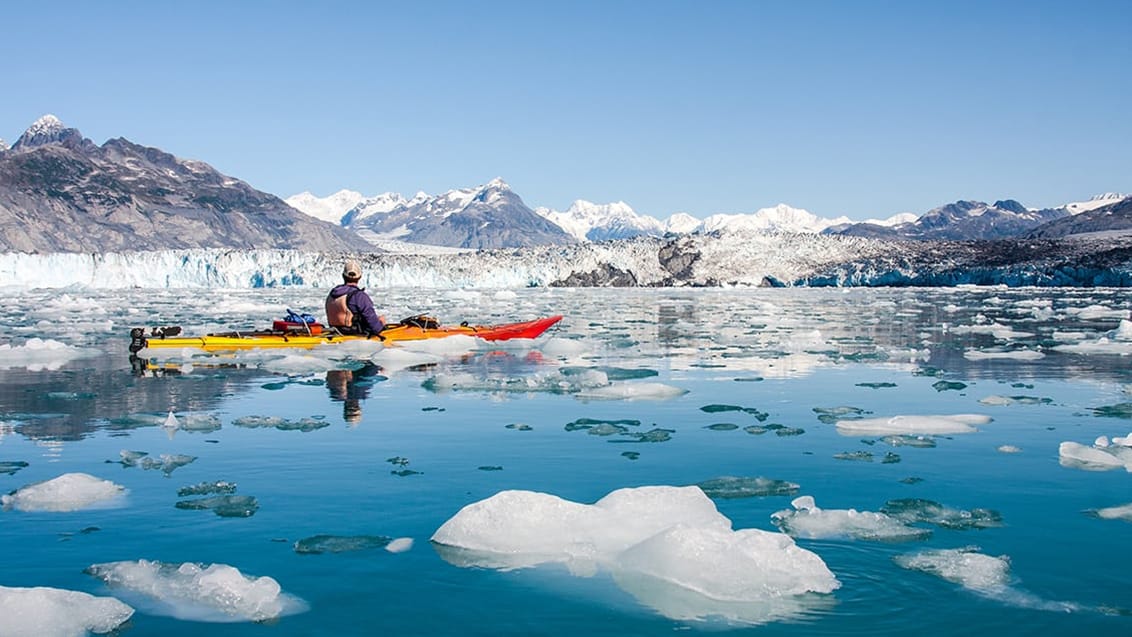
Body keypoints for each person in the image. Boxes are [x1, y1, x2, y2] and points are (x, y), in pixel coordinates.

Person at [325, 259, 386, 335]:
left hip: (335, 332)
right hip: (353, 334)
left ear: (343, 276)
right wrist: (381, 323)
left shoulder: (332, 293)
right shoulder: (359, 296)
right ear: (359, 277)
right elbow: (376, 328)